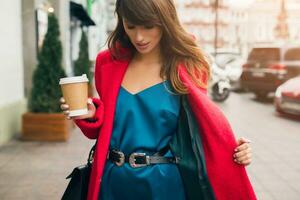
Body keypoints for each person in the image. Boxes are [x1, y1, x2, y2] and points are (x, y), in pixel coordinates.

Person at [60, 0, 256, 199]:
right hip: (111, 182)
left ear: (165, 20)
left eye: (148, 26)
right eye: (131, 26)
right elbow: (108, 127)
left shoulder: (188, 66)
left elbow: (202, 125)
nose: (139, 36)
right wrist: (93, 114)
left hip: (163, 185)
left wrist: (233, 149)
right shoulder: (108, 62)